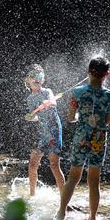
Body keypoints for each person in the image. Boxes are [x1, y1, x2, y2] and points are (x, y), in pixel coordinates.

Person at [56, 56, 110, 220]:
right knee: (94, 181)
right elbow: (107, 121)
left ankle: (61, 213)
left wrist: (78, 116)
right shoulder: (109, 96)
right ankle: (92, 218)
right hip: (99, 139)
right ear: (107, 74)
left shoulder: (78, 92)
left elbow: (70, 118)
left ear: (88, 71)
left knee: (73, 177)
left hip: (81, 136)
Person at [24, 65, 66, 197]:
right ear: (28, 80)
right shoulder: (30, 99)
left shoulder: (47, 91)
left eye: (40, 76)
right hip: (42, 133)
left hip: (54, 130)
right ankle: (32, 196)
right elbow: (36, 116)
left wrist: (47, 102)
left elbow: (54, 103)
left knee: (54, 165)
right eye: (33, 76)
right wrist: (31, 117)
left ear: (43, 79)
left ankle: (65, 199)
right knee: (32, 164)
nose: (37, 79)